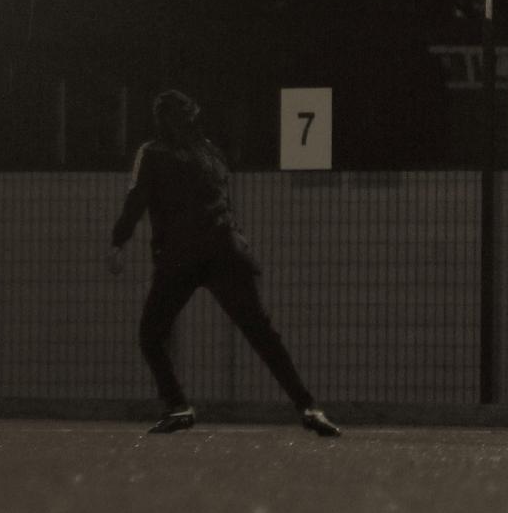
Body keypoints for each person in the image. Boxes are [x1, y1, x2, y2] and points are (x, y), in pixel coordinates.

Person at [108, 90, 340, 437]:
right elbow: (222, 201)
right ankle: (308, 406)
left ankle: (178, 405)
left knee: (151, 335)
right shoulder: (210, 152)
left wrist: (118, 242)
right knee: (261, 334)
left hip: (179, 257)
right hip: (224, 251)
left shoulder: (152, 153)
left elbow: (136, 200)